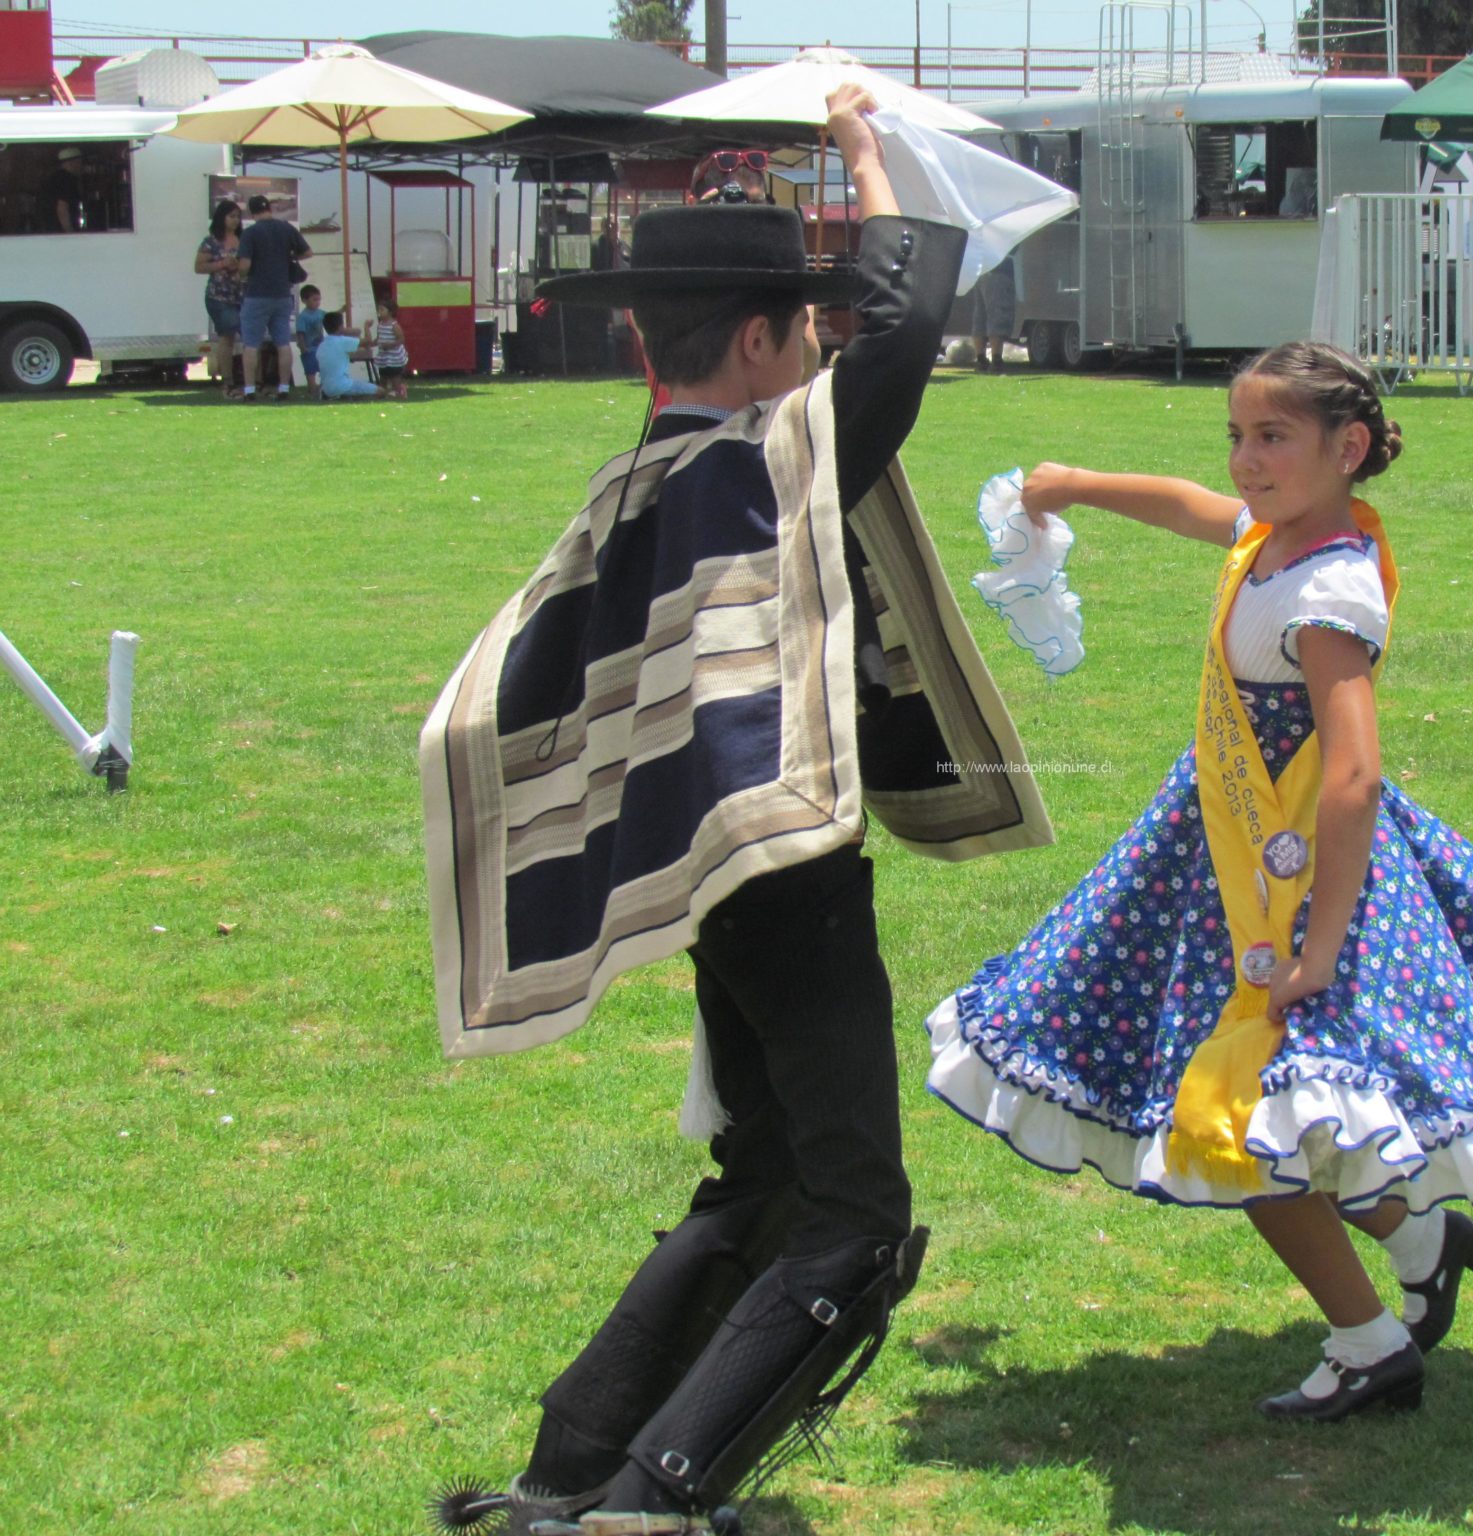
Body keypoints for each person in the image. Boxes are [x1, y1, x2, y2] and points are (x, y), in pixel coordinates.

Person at [419, 85, 1050, 1533]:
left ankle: (567, 1471)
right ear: (764, 339)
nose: (826, 350)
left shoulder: (643, 473)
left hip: (718, 871)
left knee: (761, 1172)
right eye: (805, 328)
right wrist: (871, 159)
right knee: (853, 1221)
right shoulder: (771, 457)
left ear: (646, 335)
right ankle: (651, 1503)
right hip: (783, 866)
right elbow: (903, 326)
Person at [924, 341, 1473, 1422]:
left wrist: (1321, 946)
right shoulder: (1277, 541)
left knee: (1238, 1122)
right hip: (1219, 860)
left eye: (1270, 436)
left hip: (1299, 886)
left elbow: (1353, 769)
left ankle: (1370, 1342)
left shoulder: (1327, 589)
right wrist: (1072, 485)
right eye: (1235, 434)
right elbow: (1194, 510)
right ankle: (1421, 1241)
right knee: (1284, 1116)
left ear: (1347, 447)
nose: (1243, 460)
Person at [235, 194, 311, 402]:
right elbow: (307, 252)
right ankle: (284, 387)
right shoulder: (286, 228)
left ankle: (250, 390)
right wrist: (288, 257)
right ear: (270, 208)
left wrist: (240, 277)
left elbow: (244, 266)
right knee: (283, 343)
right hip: (282, 293)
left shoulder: (250, 233)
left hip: (257, 294)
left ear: (251, 213)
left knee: (251, 344)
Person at [194, 199, 244, 398]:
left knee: (249, 337)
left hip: (242, 294)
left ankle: (250, 381)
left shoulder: (244, 238)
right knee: (227, 336)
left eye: (238, 217)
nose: (235, 221)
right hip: (219, 295)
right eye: (231, 216)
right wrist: (223, 264)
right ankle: (228, 379)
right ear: (221, 218)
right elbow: (199, 267)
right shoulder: (211, 241)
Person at [314, 312, 380, 400]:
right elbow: (368, 341)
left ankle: (339, 397)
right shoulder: (343, 341)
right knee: (381, 391)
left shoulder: (322, 345)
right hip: (342, 385)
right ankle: (347, 397)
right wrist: (366, 326)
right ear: (341, 327)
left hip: (325, 387)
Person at [969, 254, 1016, 372]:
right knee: (996, 315)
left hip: (981, 270)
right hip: (998, 269)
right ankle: (996, 360)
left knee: (980, 316)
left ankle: (981, 360)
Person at [367, 299, 410, 399]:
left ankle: (400, 391)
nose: (379, 312)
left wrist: (390, 345)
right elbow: (378, 338)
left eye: (382, 310)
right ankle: (382, 394)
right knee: (383, 377)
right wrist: (372, 343)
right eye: (379, 310)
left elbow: (401, 339)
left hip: (394, 357)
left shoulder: (394, 325)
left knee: (395, 377)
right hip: (384, 356)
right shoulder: (380, 325)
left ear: (390, 312)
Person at [40, 146, 84, 233]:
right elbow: (62, 207)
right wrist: (69, 231)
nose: (81, 165)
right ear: (72, 163)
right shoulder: (67, 180)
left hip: (50, 229)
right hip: (60, 232)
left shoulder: (54, 178)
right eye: (79, 162)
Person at [295, 284, 326, 393]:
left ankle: (324, 388)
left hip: (320, 347)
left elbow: (331, 317)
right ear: (304, 300)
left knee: (323, 367)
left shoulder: (321, 313)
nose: (317, 302)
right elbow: (300, 333)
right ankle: (312, 388)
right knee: (310, 370)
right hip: (309, 348)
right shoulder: (303, 316)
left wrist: (341, 310)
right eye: (314, 300)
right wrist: (303, 347)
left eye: (319, 299)